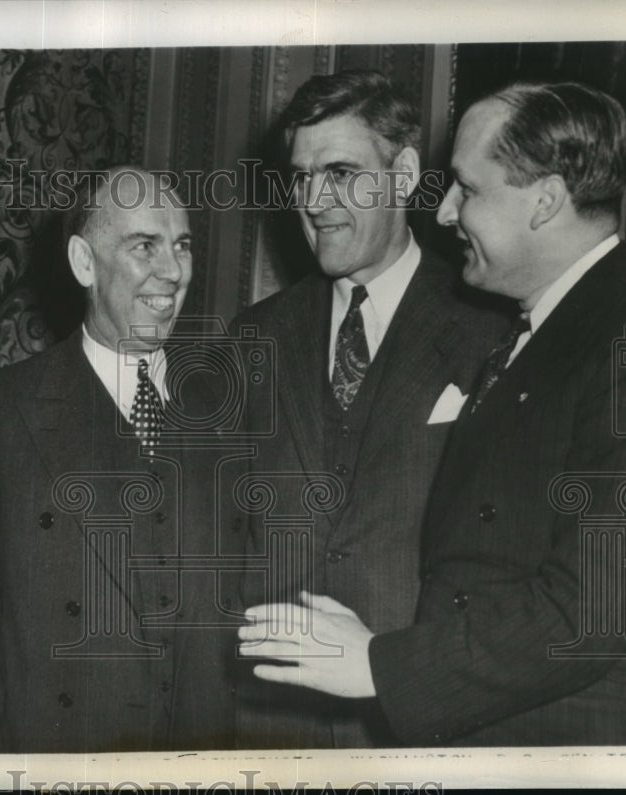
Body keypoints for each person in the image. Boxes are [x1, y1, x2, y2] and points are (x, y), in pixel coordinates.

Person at [239, 81, 626, 746]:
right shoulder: (546, 325)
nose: (444, 212)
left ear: (546, 200)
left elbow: (594, 609)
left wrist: (379, 665)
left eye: (467, 188)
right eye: (302, 178)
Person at [227, 69, 506, 747]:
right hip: (268, 727)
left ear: (403, 174)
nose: (313, 201)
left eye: (341, 173)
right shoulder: (254, 336)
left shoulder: (491, 328)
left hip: (419, 730)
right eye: (301, 177)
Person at [0, 167, 237, 752]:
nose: (173, 271)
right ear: (84, 263)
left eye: (183, 245)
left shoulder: (229, 406)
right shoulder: (5, 409)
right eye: (145, 246)